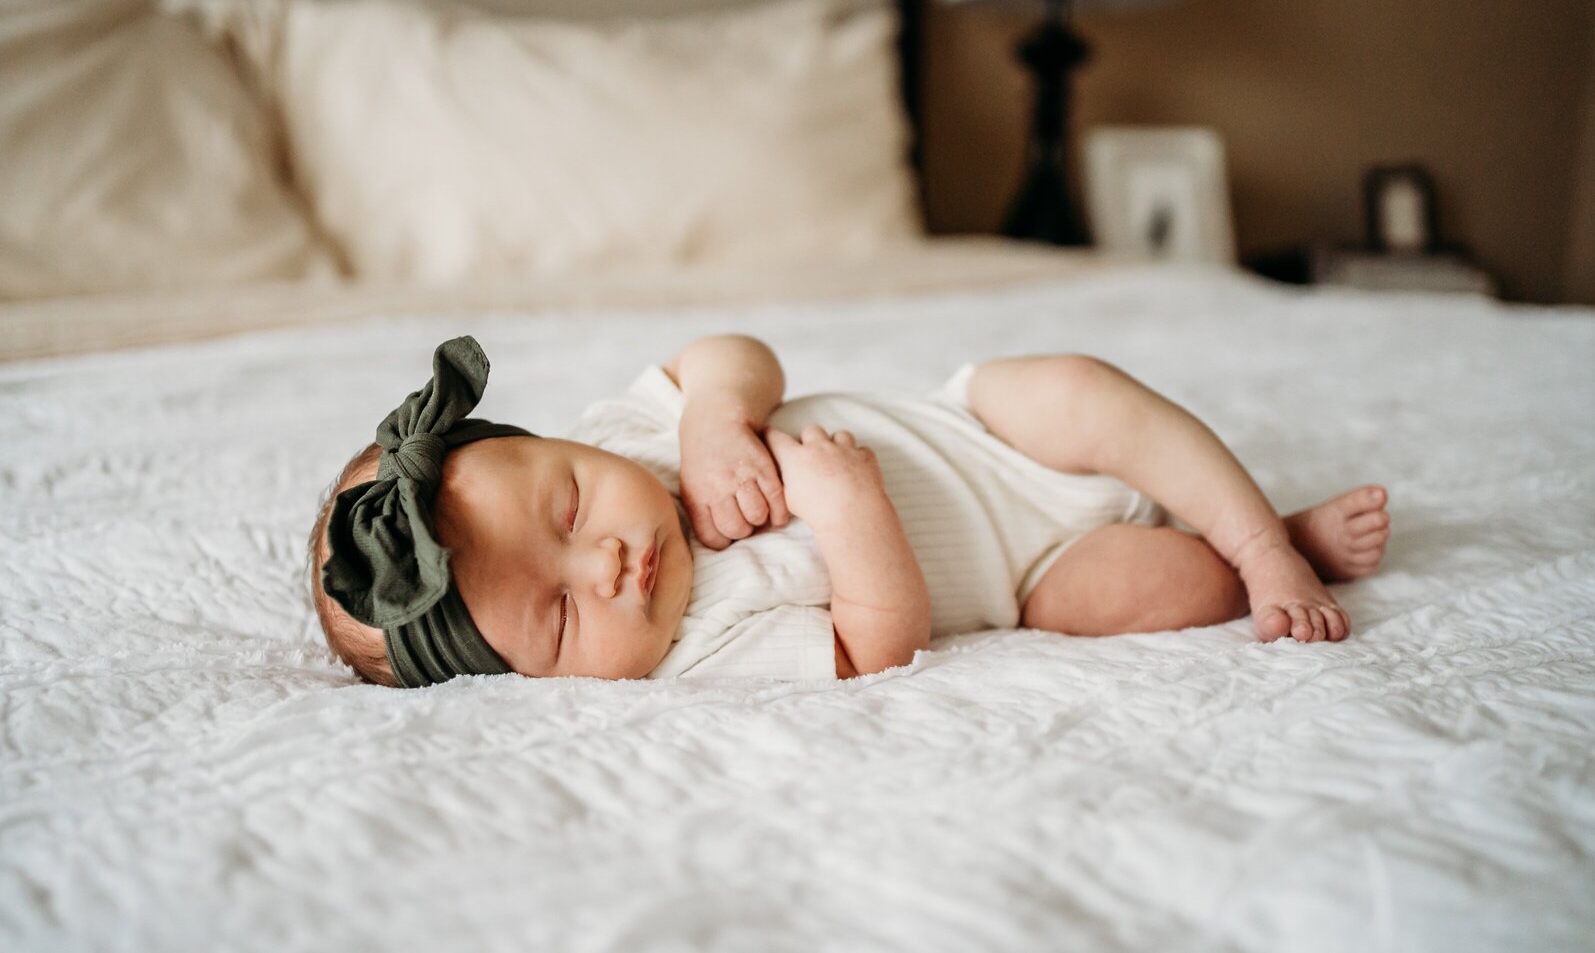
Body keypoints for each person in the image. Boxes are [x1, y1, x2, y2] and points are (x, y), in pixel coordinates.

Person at [311, 334, 1389, 688]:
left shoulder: (635, 432)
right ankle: (1259, 550)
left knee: (1070, 382)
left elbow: (731, 354)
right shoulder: (694, 645)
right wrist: (848, 504)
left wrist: (715, 421)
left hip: (979, 432)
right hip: (1026, 575)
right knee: (1164, 589)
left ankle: (1262, 535)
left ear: (566, 444)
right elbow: (876, 644)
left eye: (570, 504)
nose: (602, 565)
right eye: (556, 619)